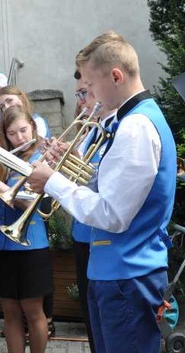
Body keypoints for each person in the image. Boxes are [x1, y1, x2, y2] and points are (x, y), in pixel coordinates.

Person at [27, 32, 177, 353]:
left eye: (91, 86)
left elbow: (112, 214)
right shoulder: (131, 121)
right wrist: (70, 168)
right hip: (119, 272)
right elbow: (111, 188)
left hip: (128, 275)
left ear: (116, 76)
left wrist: (51, 181)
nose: (88, 95)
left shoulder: (135, 126)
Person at [0, 107, 52, 353]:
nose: (20, 138)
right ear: (5, 136)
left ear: (32, 126)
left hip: (31, 242)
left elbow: (31, 201)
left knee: (33, 312)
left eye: (24, 130)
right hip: (0, 241)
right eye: (12, 133)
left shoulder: (41, 158)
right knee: (9, 312)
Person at [69, 70, 116, 353]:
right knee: (92, 318)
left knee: (108, 324)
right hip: (83, 232)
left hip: (104, 236)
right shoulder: (89, 135)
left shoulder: (114, 132)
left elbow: (100, 185)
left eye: (83, 93)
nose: (81, 102)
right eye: (78, 95)